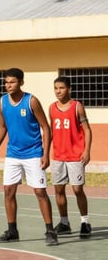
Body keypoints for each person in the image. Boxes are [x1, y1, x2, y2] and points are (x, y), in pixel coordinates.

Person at [0, 67, 57, 245]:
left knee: (40, 191)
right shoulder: (1, 102)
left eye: (12, 82)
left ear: (21, 82)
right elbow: (3, 126)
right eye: (6, 82)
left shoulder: (31, 101)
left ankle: (50, 231)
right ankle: (12, 230)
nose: (8, 85)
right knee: (8, 191)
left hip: (33, 153)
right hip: (13, 154)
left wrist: (45, 153)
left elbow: (46, 128)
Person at [49, 76, 92, 238]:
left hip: (75, 155)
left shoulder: (77, 106)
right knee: (58, 189)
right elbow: (52, 132)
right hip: (58, 156)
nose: (58, 91)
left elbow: (87, 130)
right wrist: (45, 152)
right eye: (55, 88)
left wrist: (87, 150)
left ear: (69, 89)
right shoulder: (51, 108)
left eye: (61, 87)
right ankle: (64, 222)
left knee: (77, 189)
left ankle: (85, 222)